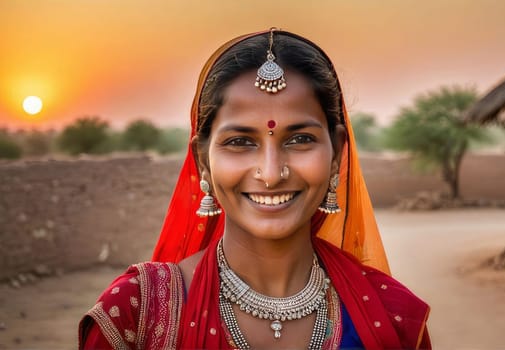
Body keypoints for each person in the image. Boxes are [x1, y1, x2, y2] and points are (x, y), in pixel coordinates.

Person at [79, 28, 431, 349]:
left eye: (300, 139)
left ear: (337, 152)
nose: (271, 173)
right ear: (203, 160)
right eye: (239, 142)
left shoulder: (392, 318)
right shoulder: (136, 315)